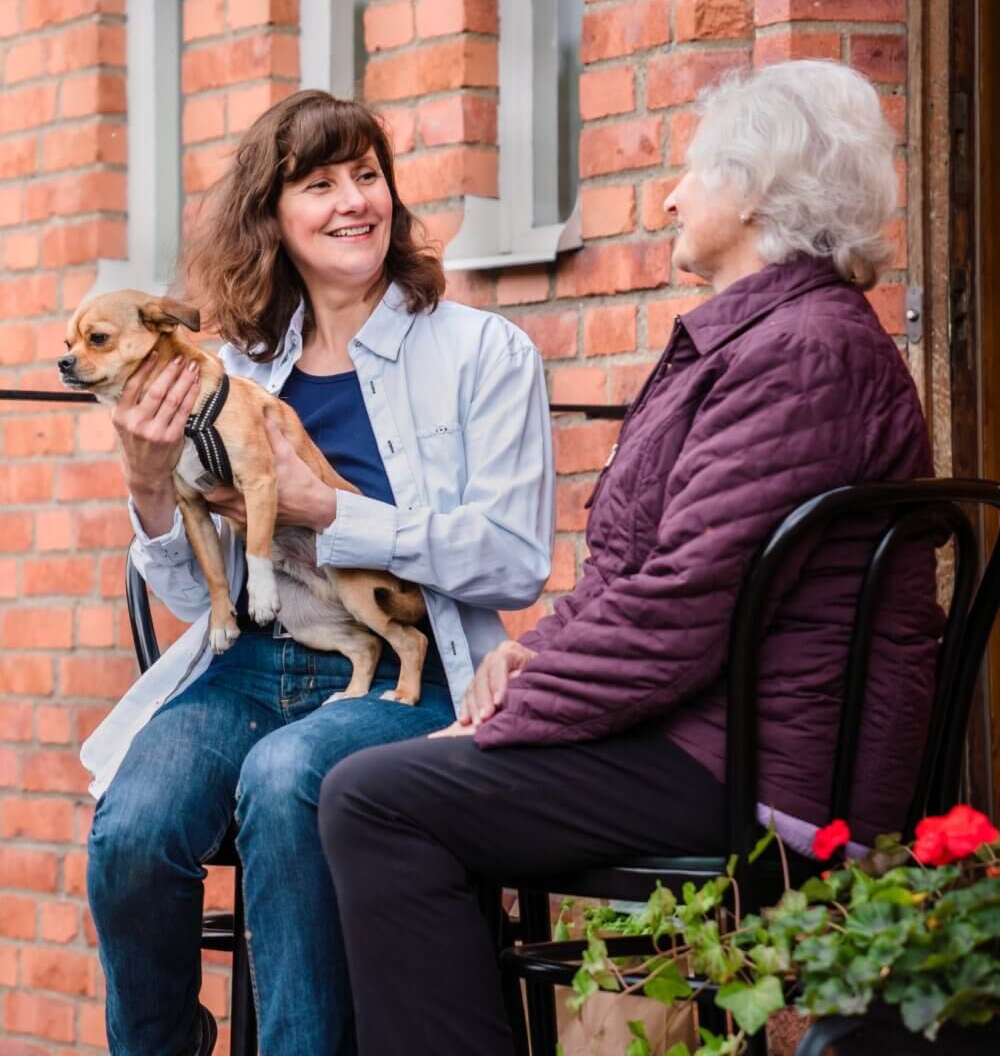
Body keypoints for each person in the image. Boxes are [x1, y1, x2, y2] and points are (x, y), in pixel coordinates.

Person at [317, 60, 944, 1055]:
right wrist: (528, 658)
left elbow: (684, 602)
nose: (670, 194)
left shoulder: (799, 355)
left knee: (377, 798)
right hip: (709, 735)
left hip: (763, 772)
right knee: (386, 783)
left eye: (693, 171)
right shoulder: (765, 341)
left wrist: (513, 718)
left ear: (751, 192)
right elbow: (640, 575)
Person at [81, 91, 554, 1056]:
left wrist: (332, 511)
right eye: (319, 183)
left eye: (368, 176)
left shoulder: (481, 353)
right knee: (132, 827)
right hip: (251, 667)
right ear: (274, 217)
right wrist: (147, 482)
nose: (353, 201)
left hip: (408, 676)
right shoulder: (232, 368)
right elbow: (186, 595)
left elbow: (514, 560)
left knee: (288, 775)